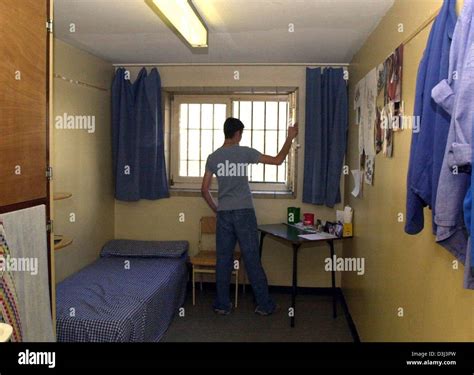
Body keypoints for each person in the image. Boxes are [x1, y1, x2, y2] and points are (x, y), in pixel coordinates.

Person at [201, 117, 298, 315]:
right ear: (237, 134)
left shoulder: (213, 157)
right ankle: (264, 305)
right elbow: (278, 160)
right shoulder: (245, 152)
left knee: (223, 260)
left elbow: (204, 190)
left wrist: (216, 208)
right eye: (241, 133)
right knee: (252, 258)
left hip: (224, 214)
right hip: (244, 212)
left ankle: (222, 305)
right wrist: (290, 138)